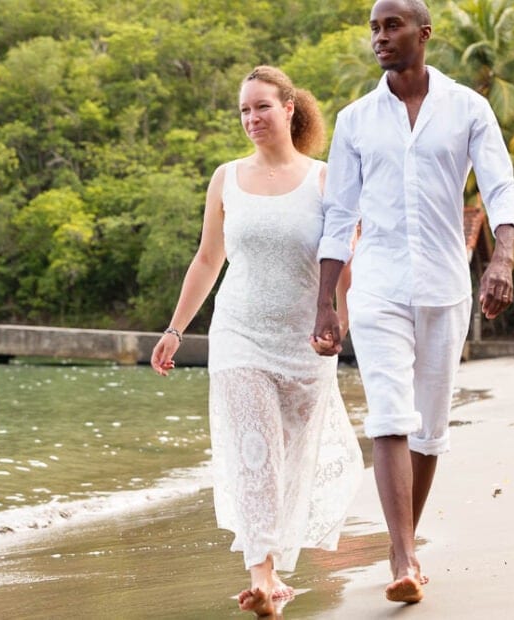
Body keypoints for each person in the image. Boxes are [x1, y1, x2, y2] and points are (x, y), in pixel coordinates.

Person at [312, 0, 514, 605]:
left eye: (392, 26)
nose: (379, 37)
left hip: (444, 284)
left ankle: (405, 539)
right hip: (376, 282)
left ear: (423, 34)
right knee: (389, 415)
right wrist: (327, 301)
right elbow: (339, 214)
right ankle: (402, 555)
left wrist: (500, 261)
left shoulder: (468, 109)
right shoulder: (355, 120)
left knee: (429, 428)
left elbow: (501, 186)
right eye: (374, 28)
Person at [151, 66, 363, 618]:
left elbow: (344, 266)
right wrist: (176, 329)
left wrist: (343, 323)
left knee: (289, 460)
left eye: (261, 107)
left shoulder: (325, 178)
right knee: (253, 455)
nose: (251, 119)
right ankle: (262, 579)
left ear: (289, 107)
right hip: (238, 335)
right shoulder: (226, 178)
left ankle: (276, 568)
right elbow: (207, 259)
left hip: (304, 344)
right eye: (244, 111)